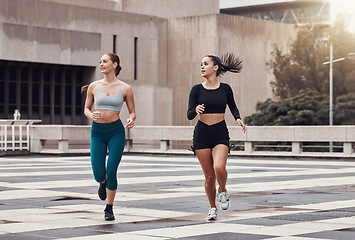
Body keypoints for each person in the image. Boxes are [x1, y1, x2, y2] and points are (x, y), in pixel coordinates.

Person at [187, 53, 246, 220]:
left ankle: (222, 190)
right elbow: (189, 115)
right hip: (202, 133)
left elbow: (233, 107)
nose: (202, 67)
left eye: (205, 63)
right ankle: (212, 208)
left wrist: (238, 118)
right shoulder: (196, 89)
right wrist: (195, 110)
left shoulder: (225, 88)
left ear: (215, 67)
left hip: (220, 131)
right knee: (209, 176)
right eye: (201, 64)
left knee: (219, 167)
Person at [82, 53, 136, 221]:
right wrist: (90, 115)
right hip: (97, 132)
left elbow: (133, 112)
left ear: (114, 64)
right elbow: (86, 109)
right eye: (100, 62)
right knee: (99, 173)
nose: (101, 64)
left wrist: (130, 119)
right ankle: (102, 182)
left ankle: (109, 208)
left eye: (105, 61)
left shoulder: (125, 88)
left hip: (116, 132)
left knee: (112, 170)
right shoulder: (93, 86)